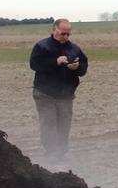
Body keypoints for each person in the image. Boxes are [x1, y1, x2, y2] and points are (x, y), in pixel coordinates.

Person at [29, 18, 88, 158]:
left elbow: (84, 67)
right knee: (49, 124)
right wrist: (55, 61)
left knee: (64, 125)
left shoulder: (74, 48)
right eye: (63, 33)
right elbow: (35, 65)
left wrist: (77, 67)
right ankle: (52, 153)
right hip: (44, 94)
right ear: (53, 30)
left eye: (68, 34)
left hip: (66, 95)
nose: (66, 37)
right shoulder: (42, 46)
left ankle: (62, 152)